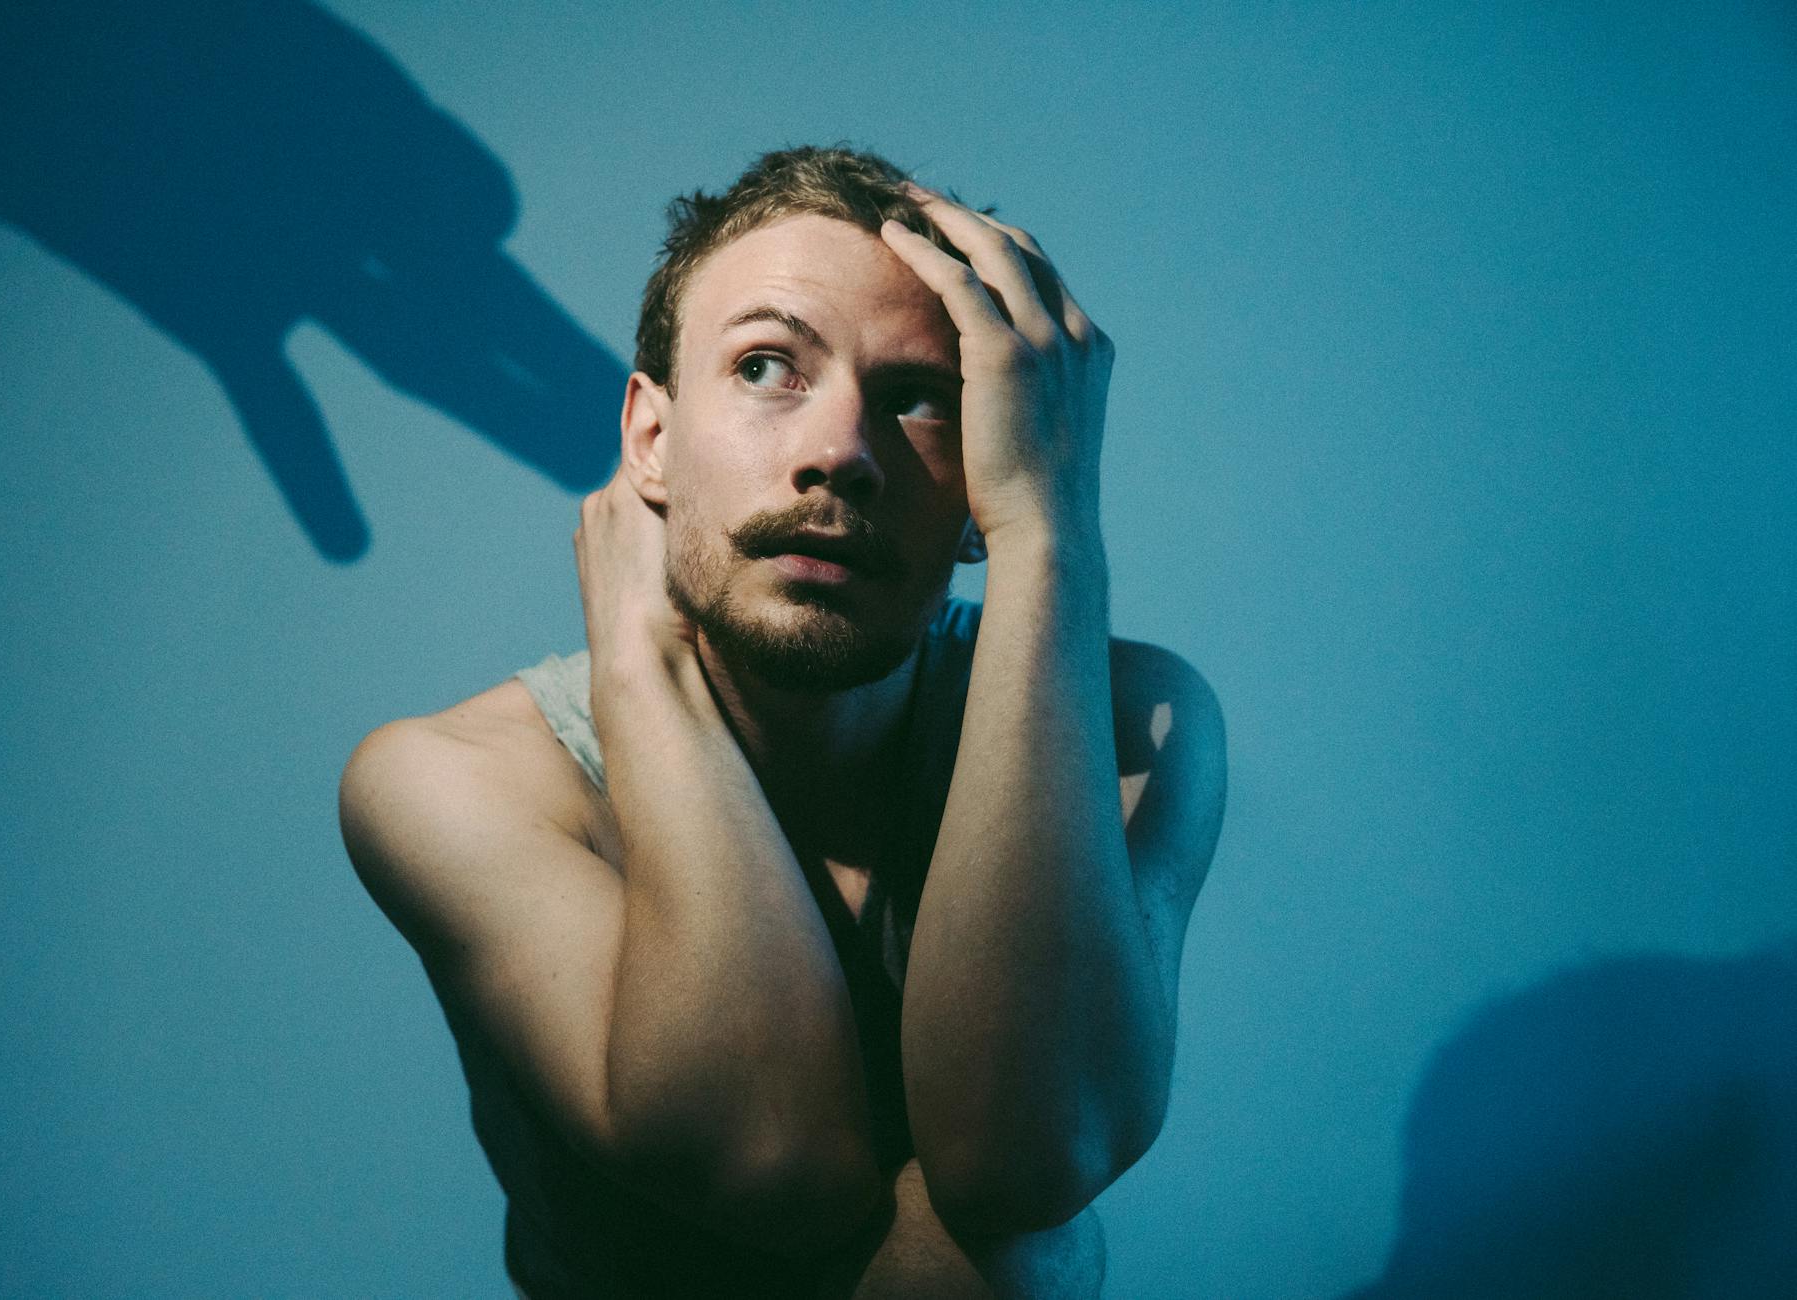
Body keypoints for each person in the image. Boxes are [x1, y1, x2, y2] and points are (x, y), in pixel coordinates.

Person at [338, 146, 1227, 1298]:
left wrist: (1050, 533)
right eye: (767, 366)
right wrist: (638, 667)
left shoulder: (1134, 725)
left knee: (1014, 1255)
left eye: (923, 399)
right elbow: (771, 1167)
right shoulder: (454, 781)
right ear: (650, 441)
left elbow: (1031, 1163)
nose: (839, 454)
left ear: (988, 476)